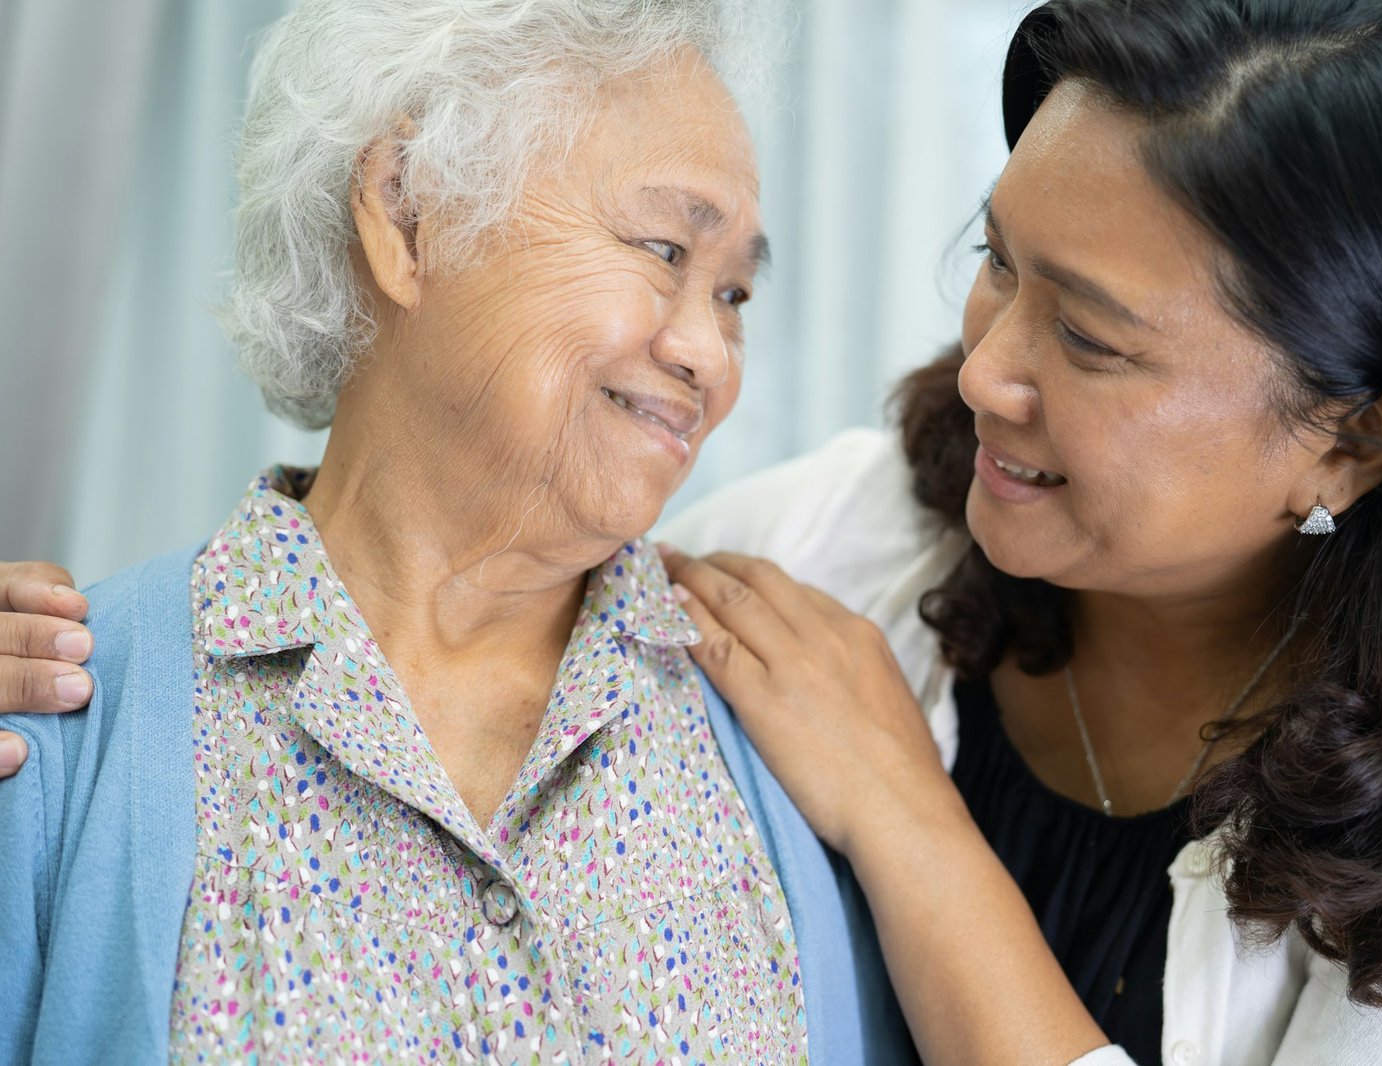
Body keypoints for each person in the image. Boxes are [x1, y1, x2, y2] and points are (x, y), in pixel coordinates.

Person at [4, 0, 1382, 1063]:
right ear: (406, 216)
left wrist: (912, 824)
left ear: (1358, 432)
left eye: (737, 287)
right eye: (996, 264)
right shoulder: (80, 732)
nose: (980, 369)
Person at [0, 1, 913, 1062]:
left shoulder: (794, 739)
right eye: (664, 248)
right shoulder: (57, 717)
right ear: (408, 213)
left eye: (735, 292)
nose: (711, 354)